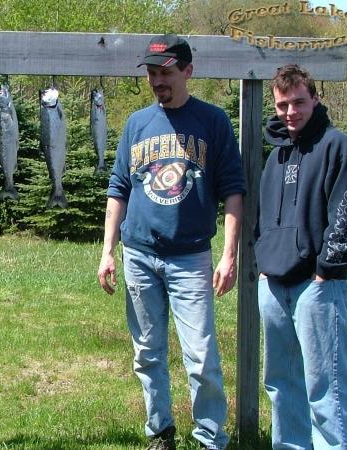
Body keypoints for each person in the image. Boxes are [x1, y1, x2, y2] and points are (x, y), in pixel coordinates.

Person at [97, 34, 245, 450]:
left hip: (191, 258)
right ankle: (160, 432)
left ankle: (211, 439)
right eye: (151, 73)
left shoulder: (213, 121)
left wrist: (228, 256)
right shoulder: (137, 124)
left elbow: (233, 191)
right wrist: (108, 251)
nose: (157, 81)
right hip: (139, 255)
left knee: (200, 357)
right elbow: (118, 189)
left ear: (188, 72)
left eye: (165, 73)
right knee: (147, 353)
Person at [256, 64, 347, 449]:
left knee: (326, 388)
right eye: (283, 105)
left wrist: (326, 272)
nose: (291, 112)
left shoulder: (337, 146)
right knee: (281, 385)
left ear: (315, 99)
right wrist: (263, 267)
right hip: (274, 286)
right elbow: (263, 217)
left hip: (317, 288)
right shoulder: (276, 156)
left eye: (299, 102)